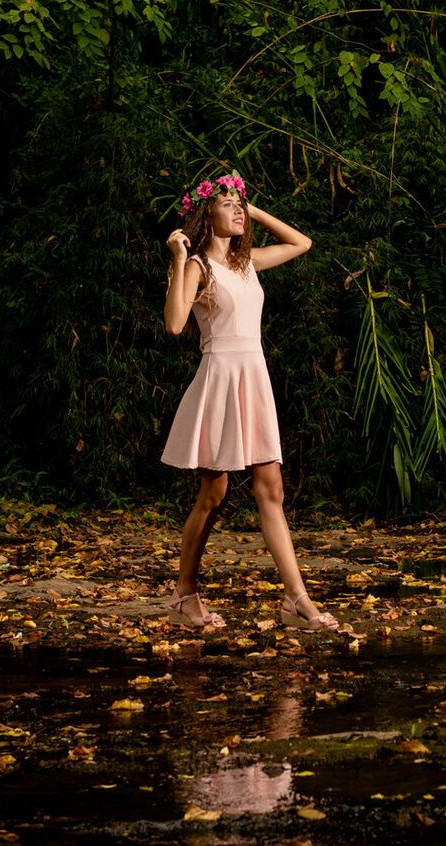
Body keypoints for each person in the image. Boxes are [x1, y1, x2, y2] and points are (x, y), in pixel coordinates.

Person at [160, 172, 339, 632]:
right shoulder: (199, 265)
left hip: (253, 376)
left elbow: (303, 243)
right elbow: (177, 324)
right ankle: (183, 595)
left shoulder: (247, 262)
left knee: (271, 490)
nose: (237, 210)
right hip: (220, 378)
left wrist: (251, 209)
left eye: (240, 204)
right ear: (206, 215)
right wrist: (179, 258)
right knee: (214, 495)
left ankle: (296, 601)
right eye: (227, 204)